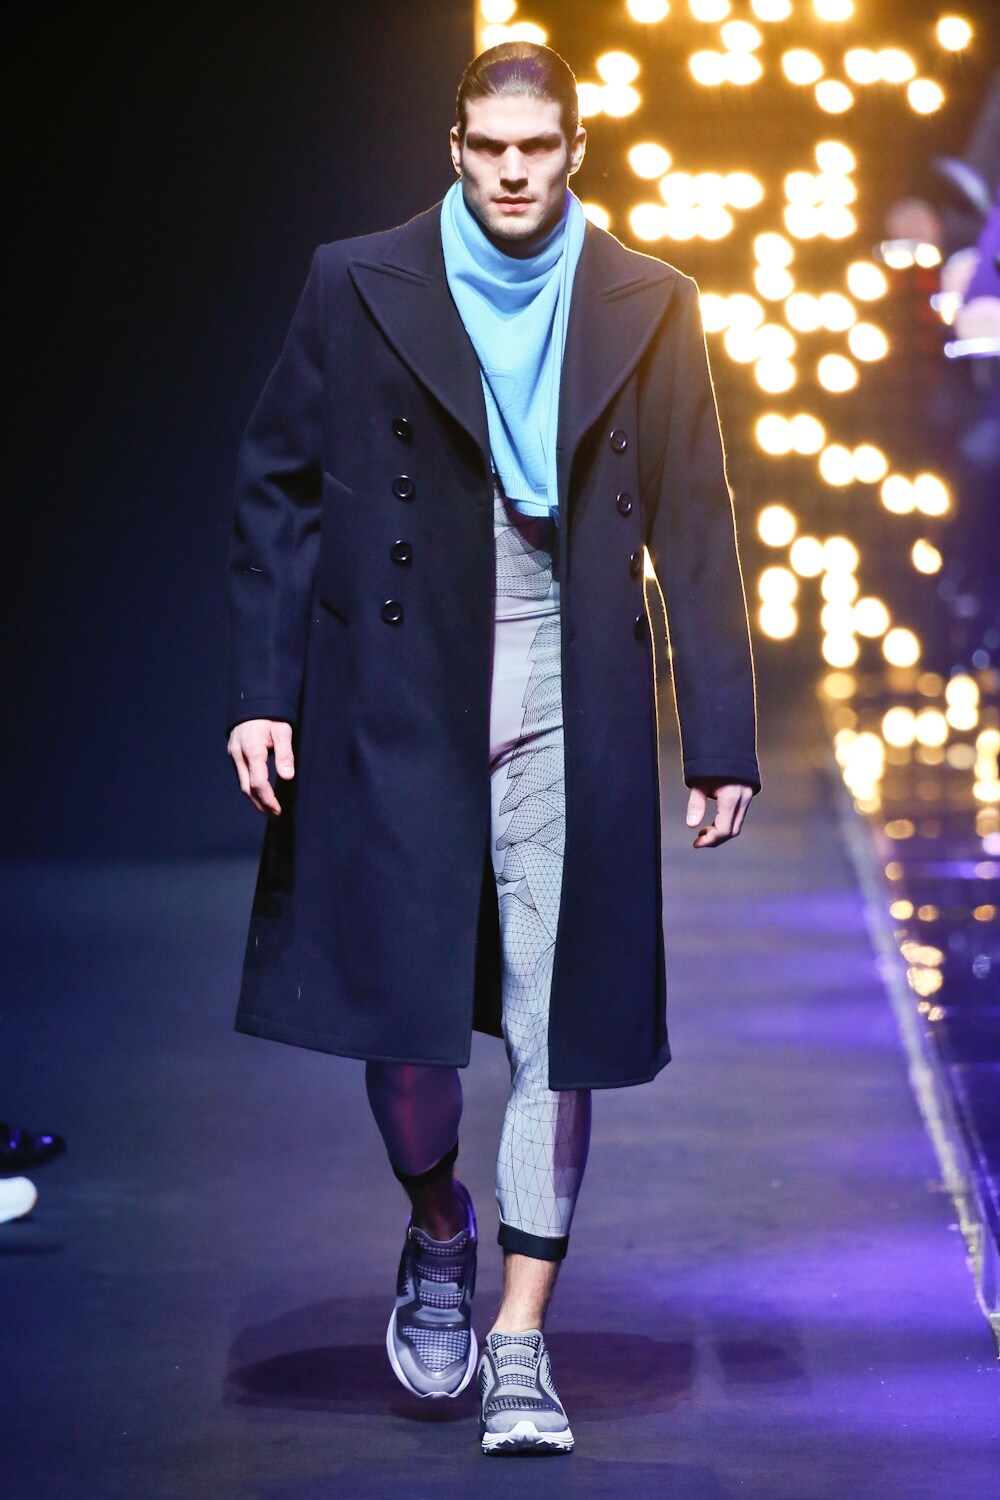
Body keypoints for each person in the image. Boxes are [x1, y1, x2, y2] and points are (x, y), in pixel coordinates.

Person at [226, 41, 760, 1456]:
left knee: (551, 1018)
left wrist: (720, 737)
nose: (514, 172)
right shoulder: (357, 279)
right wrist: (263, 689)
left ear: (576, 149)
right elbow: (277, 483)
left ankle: (521, 1343)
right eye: (489, 147)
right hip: (399, 679)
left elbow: (696, 522)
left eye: (537, 147)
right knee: (405, 1022)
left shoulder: (650, 299)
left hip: (569, 664)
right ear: (456, 149)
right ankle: (439, 1226)